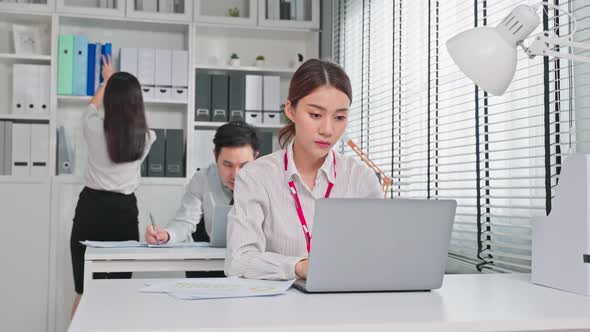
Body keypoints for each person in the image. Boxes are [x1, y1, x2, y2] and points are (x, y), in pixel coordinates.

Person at [224, 59, 383, 281]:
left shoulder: (360, 178)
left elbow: (378, 254)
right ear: (290, 110)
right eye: (315, 115)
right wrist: (298, 267)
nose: (327, 130)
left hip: (345, 304)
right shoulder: (256, 176)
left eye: (339, 117)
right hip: (277, 309)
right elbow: (238, 261)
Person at [70, 55, 156, 316]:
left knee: (84, 291)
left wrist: (106, 82)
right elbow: (137, 121)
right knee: (118, 292)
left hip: (91, 209)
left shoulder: (93, 128)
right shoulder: (147, 138)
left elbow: (91, 108)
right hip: (124, 213)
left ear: (111, 100)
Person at [144, 121, 260, 277]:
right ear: (215, 155)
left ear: (256, 157)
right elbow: (185, 222)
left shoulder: (268, 182)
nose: (235, 175)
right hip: (209, 266)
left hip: (252, 266)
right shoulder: (202, 179)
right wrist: (166, 235)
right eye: (227, 164)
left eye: (244, 165)